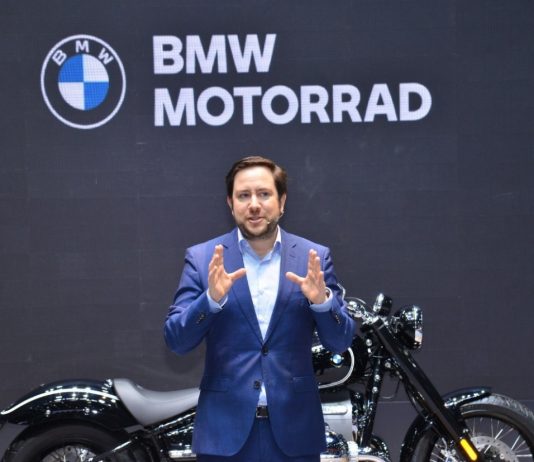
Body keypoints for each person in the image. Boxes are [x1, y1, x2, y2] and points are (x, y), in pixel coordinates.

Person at [165, 156, 356, 462]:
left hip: (295, 435)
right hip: (224, 435)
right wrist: (210, 300)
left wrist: (322, 302)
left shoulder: (314, 257)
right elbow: (177, 341)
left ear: (282, 202)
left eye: (264, 194)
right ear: (231, 204)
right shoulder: (202, 259)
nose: (254, 204)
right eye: (244, 195)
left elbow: (340, 342)